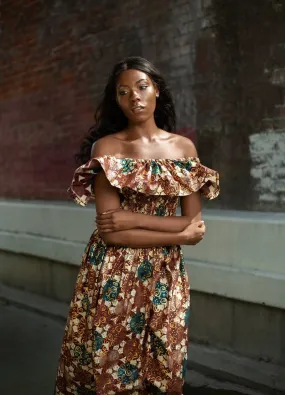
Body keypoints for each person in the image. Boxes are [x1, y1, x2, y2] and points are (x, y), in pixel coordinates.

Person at [55, 56, 219, 395]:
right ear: (117, 100)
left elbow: (195, 230)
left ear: (156, 90)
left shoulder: (183, 149)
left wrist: (133, 217)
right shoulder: (109, 149)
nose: (135, 98)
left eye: (142, 87)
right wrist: (175, 230)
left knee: (165, 365)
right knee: (112, 370)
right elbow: (111, 233)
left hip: (166, 275)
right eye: (124, 92)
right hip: (113, 273)